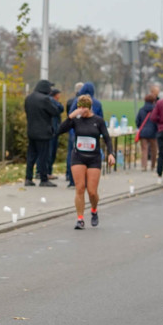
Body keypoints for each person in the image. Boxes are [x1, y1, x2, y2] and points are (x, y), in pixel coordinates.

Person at [58, 95, 114, 229]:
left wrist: (111, 154)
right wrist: (71, 116)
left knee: (92, 192)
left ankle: (94, 210)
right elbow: (59, 130)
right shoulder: (75, 120)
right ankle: (80, 219)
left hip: (94, 158)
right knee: (80, 188)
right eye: (79, 107)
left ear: (89, 108)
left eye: (83, 107)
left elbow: (107, 138)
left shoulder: (98, 121)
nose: (81, 110)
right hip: (78, 156)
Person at [66, 82, 105, 187]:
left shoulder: (77, 101)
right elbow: (101, 118)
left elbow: (70, 116)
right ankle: (88, 179)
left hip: (76, 132)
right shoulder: (96, 103)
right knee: (90, 155)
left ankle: (72, 179)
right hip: (91, 133)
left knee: (73, 155)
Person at [24, 79, 58, 187]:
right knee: (43, 156)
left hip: (31, 131)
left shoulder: (28, 98)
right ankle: (44, 179)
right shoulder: (45, 99)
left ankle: (28, 178)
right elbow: (55, 111)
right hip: (43, 132)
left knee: (31, 156)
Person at [134, 94, 157, 171]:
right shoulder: (155, 110)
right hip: (153, 133)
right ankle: (153, 166)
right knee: (154, 150)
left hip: (143, 132)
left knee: (144, 149)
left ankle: (144, 166)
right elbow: (157, 121)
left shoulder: (141, 110)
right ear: (153, 101)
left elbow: (137, 121)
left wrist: (140, 126)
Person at [48, 87, 64, 178]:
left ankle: (47, 171)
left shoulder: (50, 101)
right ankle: (48, 172)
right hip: (53, 129)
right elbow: (61, 108)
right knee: (51, 151)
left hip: (53, 128)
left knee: (51, 151)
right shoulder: (53, 102)